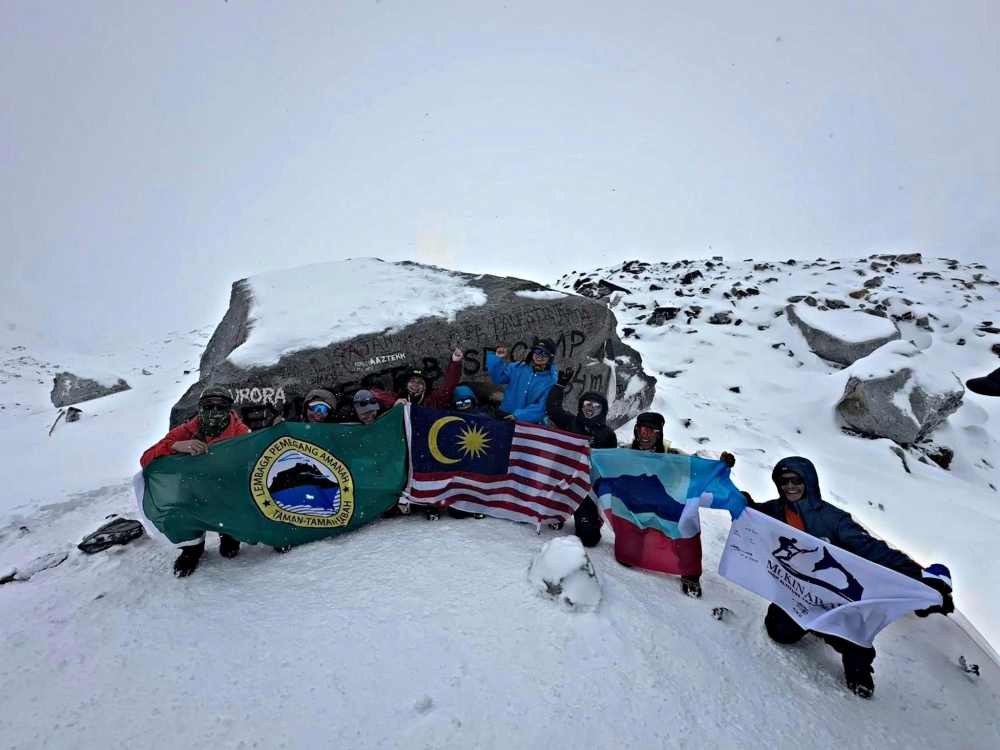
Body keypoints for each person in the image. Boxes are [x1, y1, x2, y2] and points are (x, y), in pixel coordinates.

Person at [747, 456, 955, 698]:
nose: (790, 486)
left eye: (796, 480)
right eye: (783, 481)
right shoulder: (775, 510)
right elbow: (752, 514)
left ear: (809, 482)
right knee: (779, 632)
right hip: (799, 591)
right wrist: (740, 500)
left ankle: (858, 670)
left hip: (837, 591)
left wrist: (918, 577)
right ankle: (814, 625)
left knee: (854, 633)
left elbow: (871, 548)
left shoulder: (833, 518)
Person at [140, 385, 251, 577]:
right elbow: (147, 459)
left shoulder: (240, 433)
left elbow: (254, 461)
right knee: (180, 515)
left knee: (232, 540)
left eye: (221, 406)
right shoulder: (186, 431)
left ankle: (229, 533)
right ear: (200, 408)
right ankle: (193, 547)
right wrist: (174, 446)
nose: (214, 411)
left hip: (226, 491)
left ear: (230, 409)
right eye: (208, 406)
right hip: (192, 493)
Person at [628, 411, 736, 597]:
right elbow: (605, 461)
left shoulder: (673, 455)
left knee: (686, 528)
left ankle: (691, 573)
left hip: (668, 508)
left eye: (650, 430)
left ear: (659, 433)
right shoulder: (624, 453)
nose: (644, 435)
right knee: (627, 553)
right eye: (640, 430)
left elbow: (697, 469)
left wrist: (719, 466)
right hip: (639, 509)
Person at [545, 369, 617, 546]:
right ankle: (557, 513)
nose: (590, 408)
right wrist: (560, 386)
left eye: (595, 406)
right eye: (587, 403)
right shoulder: (571, 423)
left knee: (588, 539)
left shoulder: (608, 435)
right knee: (549, 518)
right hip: (563, 481)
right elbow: (553, 409)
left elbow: (610, 466)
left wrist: (596, 453)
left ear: (602, 410)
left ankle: (591, 520)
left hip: (587, 488)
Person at [486, 337, 558, 425]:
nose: (540, 356)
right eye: (537, 352)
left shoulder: (551, 379)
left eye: (545, 353)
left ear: (551, 357)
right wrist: (498, 359)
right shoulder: (518, 367)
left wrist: (519, 416)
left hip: (530, 425)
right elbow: (498, 378)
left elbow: (543, 406)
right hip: (506, 417)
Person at [371, 349, 464, 410]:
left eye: (420, 382)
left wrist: (455, 363)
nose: (416, 384)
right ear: (406, 384)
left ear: (425, 387)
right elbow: (373, 394)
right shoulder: (396, 397)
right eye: (412, 381)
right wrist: (393, 403)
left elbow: (448, 386)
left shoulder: (433, 399)